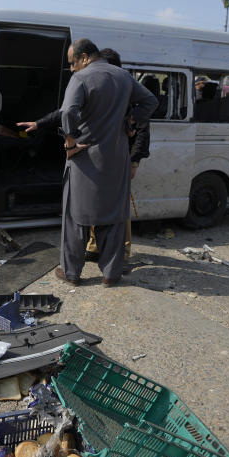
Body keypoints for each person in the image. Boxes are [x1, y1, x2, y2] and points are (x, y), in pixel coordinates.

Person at [54, 38, 157, 286]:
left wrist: (70, 143)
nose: (71, 68)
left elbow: (68, 112)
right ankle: (111, 274)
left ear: (86, 57)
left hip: (84, 158)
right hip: (117, 158)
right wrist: (131, 122)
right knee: (113, 216)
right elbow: (151, 101)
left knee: (76, 216)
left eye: (73, 62)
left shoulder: (80, 78)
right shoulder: (123, 76)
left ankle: (71, 273)